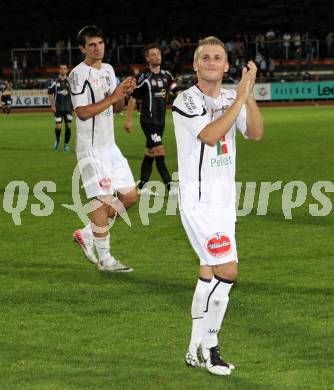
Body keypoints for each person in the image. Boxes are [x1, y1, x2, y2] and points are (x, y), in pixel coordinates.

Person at [172, 36, 264, 376]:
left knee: (209, 272)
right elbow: (210, 135)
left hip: (225, 202)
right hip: (199, 204)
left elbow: (254, 134)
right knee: (228, 271)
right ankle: (211, 349)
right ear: (196, 65)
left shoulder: (231, 97)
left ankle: (193, 349)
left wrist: (247, 96)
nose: (211, 61)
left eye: (218, 57)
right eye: (205, 57)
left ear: (227, 66)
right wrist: (238, 99)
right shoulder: (186, 100)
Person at [68, 25, 137, 272]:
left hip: (110, 145)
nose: (97, 48)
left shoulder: (108, 70)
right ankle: (106, 260)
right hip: (91, 148)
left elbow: (114, 109)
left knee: (130, 196)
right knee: (103, 199)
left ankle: (88, 233)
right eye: (91, 44)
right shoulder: (77, 74)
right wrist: (113, 96)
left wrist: (123, 96)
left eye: (100, 43)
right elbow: (83, 113)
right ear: (82, 48)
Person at [124, 44, 178, 195]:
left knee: (150, 152)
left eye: (158, 54)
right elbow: (133, 98)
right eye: (153, 55)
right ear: (147, 58)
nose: (157, 56)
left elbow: (175, 90)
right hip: (148, 120)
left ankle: (142, 186)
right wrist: (128, 120)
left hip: (161, 120)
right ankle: (170, 187)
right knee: (159, 150)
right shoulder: (143, 77)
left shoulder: (167, 75)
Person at [48, 64, 73, 151]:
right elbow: (50, 93)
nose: (63, 70)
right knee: (58, 126)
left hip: (68, 107)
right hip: (58, 107)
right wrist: (52, 105)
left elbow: (75, 94)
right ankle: (58, 141)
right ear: (59, 70)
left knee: (69, 126)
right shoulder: (54, 81)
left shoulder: (70, 81)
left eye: (65, 69)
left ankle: (66, 145)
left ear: (67, 70)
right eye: (61, 68)